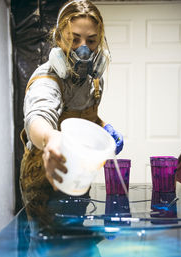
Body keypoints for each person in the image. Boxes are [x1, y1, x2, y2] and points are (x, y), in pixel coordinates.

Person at [20, 0, 124, 206]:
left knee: (79, 236)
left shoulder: (94, 79)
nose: (83, 50)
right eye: (74, 40)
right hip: (44, 179)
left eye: (92, 41)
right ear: (58, 38)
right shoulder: (46, 78)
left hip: (79, 176)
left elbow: (79, 124)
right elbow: (39, 116)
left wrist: (102, 129)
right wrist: (50, 138)